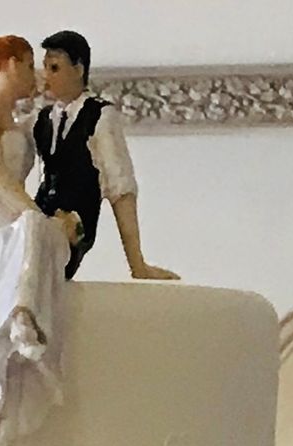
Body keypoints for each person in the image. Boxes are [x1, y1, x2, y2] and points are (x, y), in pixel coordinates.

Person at [0, 35, 79, 446]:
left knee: (46, 237)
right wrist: (38, 217)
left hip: (22, 221)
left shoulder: (26, 124)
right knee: (33, 231)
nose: (36, 76)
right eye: (30, 66)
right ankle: (21, 317)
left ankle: (27, 318)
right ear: (10, 64)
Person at [34, 29, 177, 283]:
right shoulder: (44, 119)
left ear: (78, 69)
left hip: (73, 229)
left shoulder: (99, 116)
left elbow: (120, 188)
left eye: (54, 68)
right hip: (41, 218)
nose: (46, 77)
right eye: (44, 67)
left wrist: (137, 264)